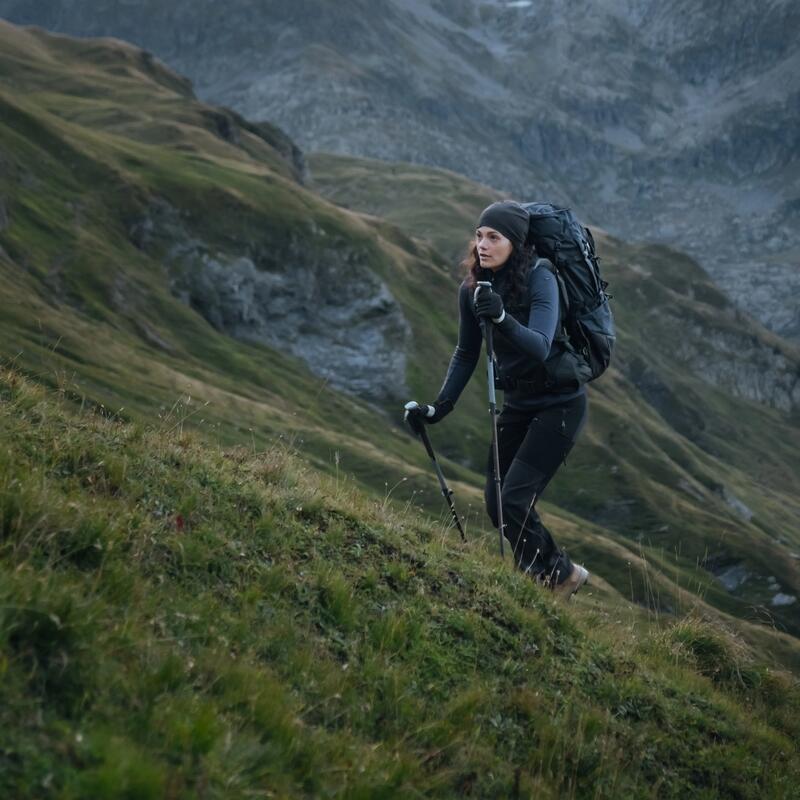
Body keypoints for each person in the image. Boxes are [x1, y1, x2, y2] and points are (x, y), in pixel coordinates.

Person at [405, 201, 589, 598]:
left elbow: (540, 346)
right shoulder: (471, 289)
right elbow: (466, 353)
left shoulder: (543, 278)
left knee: (516, 498)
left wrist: (503, 317)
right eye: (479, 235)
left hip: (560, 402)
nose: (483, 245)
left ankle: (557, 578)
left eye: (494, 237)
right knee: (497, 504)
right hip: (519, 402)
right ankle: (549, 579)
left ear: (516, 243)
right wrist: (438, 408)